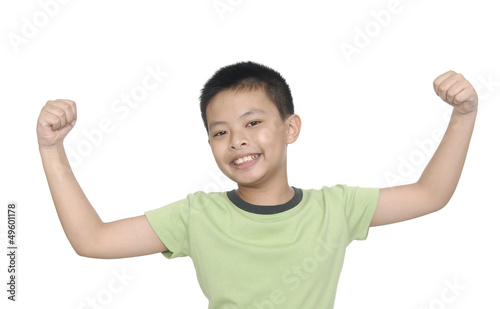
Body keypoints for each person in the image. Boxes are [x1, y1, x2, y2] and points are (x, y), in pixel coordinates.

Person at [37, 62, 478, 308]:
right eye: (220, 131)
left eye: (252, 122)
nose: (238, 139)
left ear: (291, 128)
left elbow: (429, 195)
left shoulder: (336, 208)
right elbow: (92, 240)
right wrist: (51, 150)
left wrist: (463, 117)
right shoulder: (197, 215)